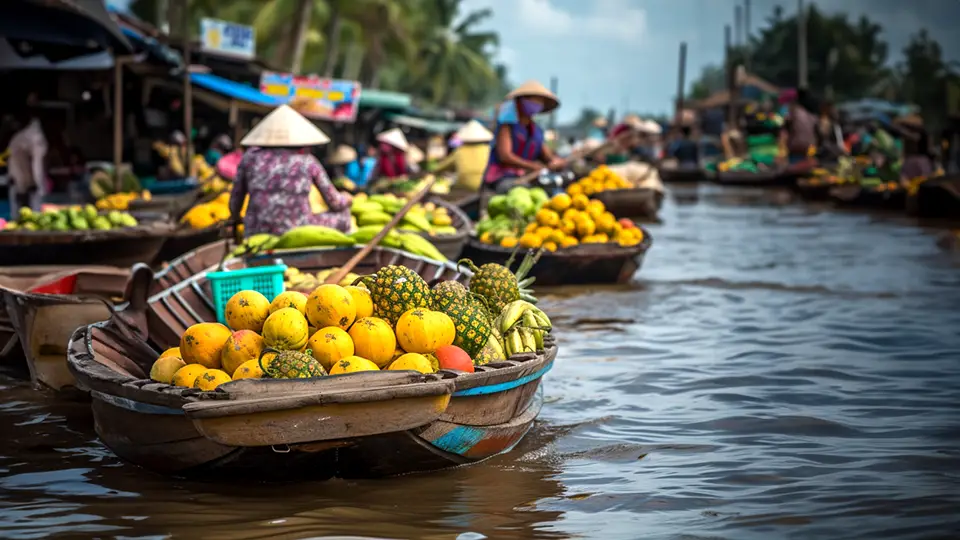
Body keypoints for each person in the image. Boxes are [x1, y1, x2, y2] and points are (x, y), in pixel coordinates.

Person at [230, 105, 351, 237]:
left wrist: (235, 218)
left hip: (256, 230)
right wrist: (347, 199)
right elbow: (335, 203)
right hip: (297, 229)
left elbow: (234, 203)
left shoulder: (250, 158)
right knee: (343, 216)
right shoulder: (307, 161)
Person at [482, 80, 565, 194]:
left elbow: (547, 156)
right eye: (533, 100)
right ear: (520, 101)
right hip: (502, 177)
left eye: (540, 102)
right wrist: (532, 166)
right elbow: (505, 156)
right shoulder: (507, 126)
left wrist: (556, 161)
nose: (537, 104)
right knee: (520, 190)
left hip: (527, 177)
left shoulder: (537, 131)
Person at [433, 120, 494, 192]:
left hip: (464, 187)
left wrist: (432, 172)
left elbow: (441, 168)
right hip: (484, 185)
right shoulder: (488, 149)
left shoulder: (460, 151)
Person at [7, 107, 47, 214]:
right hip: (27, 184)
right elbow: (36, 163)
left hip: (20, 183)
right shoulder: (33, 137)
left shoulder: (22, 137)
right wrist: (38, 184)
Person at [777, 90, 817, 166]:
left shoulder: (794, 110)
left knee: (794, 165)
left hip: (796, 145)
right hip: (809, 146)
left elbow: (786, 124)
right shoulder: (811, 114)